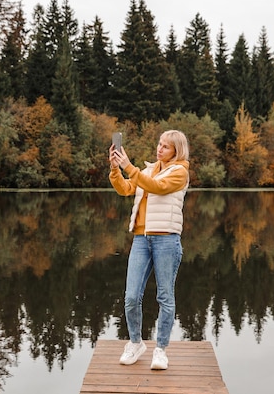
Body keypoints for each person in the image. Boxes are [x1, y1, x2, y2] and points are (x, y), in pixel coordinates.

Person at [108, 130, 190, 371]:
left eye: (166, 147)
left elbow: (157, 187)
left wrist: (129, 166)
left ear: (177, 151)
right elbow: (125, 189)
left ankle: (161, 349)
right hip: (141, 240)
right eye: (159, 144)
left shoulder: (179, 172)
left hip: (166, 240)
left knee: (165, 297)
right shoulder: (147, 170)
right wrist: (115, 169)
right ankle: (136, 343)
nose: (159, 149)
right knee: (131, 296)